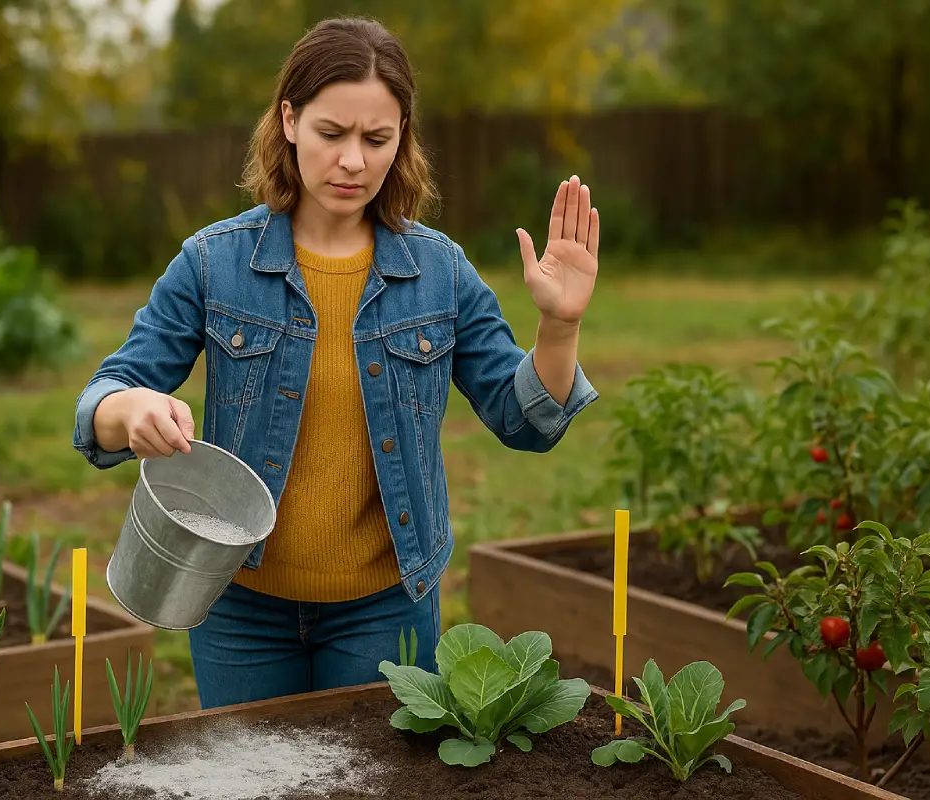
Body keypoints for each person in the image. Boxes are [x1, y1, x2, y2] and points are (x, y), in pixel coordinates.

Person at [70, 16, 601, 709]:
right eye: (332, 133)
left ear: (402, 136)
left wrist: (560, 326)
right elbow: (101, 400)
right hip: (238, 605)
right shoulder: (213, 263)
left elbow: (525, 421)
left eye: (377, 139)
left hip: (383, 606)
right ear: (290, 121)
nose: (353, 161)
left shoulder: (439, 272)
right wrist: (131, 408)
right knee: (252, 769)